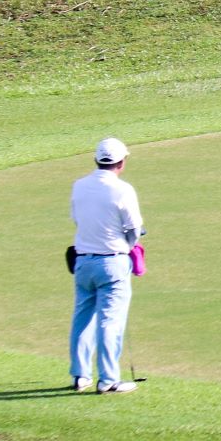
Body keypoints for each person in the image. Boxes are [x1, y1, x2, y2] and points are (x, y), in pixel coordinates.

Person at [69, 137, 145, 393]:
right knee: (109, 321)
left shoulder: (79, 186)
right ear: (121, 162)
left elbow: (77, 219)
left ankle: (80, 376)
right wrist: (129, 244)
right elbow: (134, 229)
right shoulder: (123, 190)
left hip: (82, 261)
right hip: (112, 262)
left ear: (96, 160)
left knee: (83, 319)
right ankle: (108, 379)